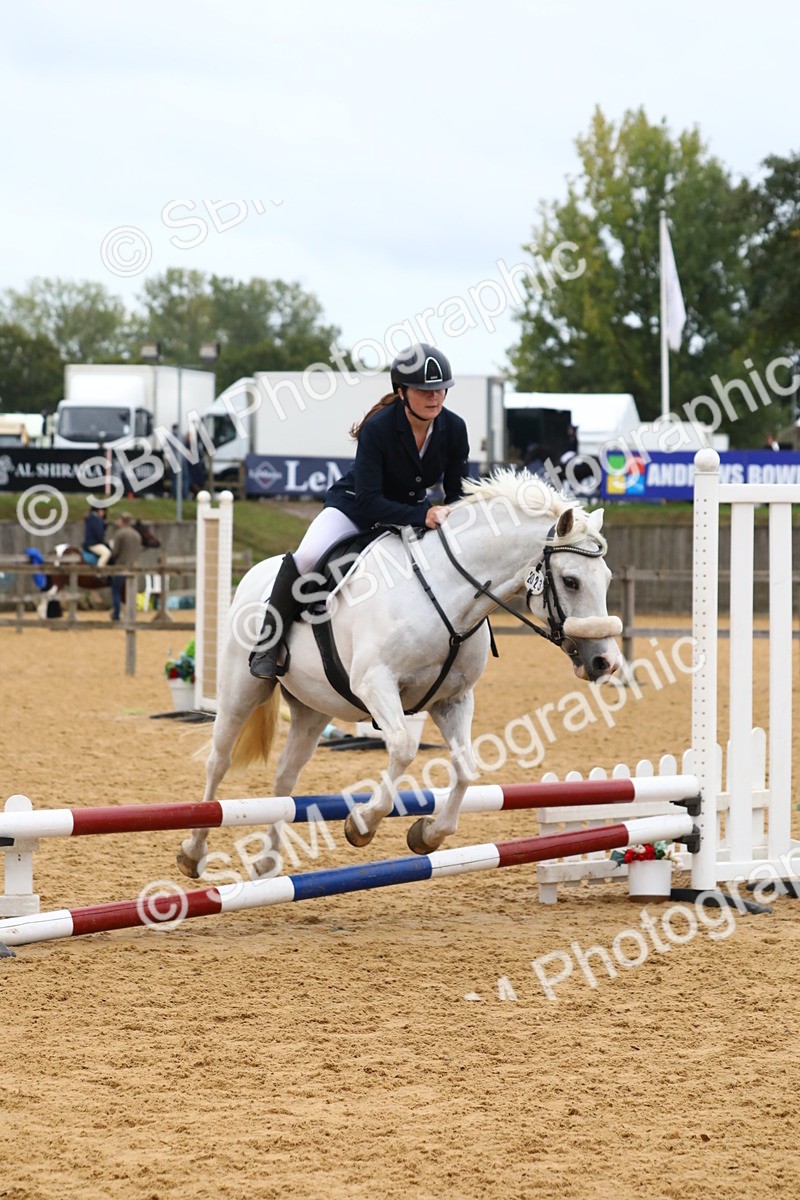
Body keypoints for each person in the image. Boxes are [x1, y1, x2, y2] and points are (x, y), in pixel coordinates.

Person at [249, 342, 470, 678]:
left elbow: (458, 492)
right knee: (308, 556)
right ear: (401, 391)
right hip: (355, 509)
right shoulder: (379, 428)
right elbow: (369, 499)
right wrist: (423, 515)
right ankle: (266, 644)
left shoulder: (454, 428)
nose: (434, 397)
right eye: (424, 390)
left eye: (440, 389)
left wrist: (453, 517)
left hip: (409, 513)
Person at [109, 512, 142, 621]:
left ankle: (116, 614)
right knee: (131, 592)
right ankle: (132, 614)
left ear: (122, 521)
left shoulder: (120, 534)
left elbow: (115, 552)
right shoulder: (137, 535)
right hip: (133, 568)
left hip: (121, 567)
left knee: (116, 591)